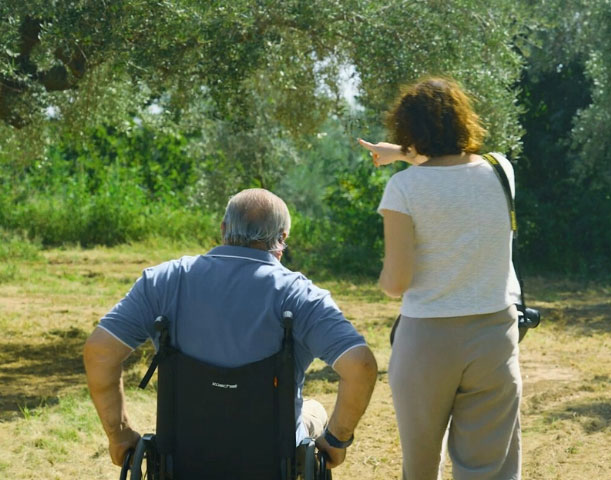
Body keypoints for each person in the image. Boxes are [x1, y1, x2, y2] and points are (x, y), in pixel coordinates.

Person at [83, 188, 378, 471]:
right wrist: (337, 440)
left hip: (184, 456)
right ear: (283, 238)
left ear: (224, 229)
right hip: (272, 459)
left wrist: (119, 434)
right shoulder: (300, 295)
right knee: (314, 410)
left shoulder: (164, 281)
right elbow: (361, 366)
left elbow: (99, 352)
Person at [358, 76, 522, 480]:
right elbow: (454, 168)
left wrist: (401, 155)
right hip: (494, 336)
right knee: (489, 467)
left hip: (427, 341)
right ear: (464, 120)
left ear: (407, 129)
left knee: (421, 466)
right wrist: (401, 154)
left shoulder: (403, 189)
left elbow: (396, 283)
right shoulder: (501, 170)